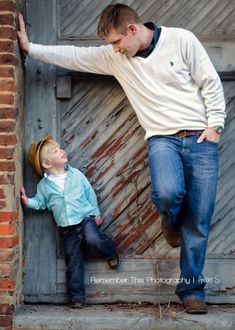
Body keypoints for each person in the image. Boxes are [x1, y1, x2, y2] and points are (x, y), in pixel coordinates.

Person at [17, 4, 226, 314]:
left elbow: (209, 80)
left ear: (132, 30)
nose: (114, 49)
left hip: (200, 137)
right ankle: (170, 221)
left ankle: (191, 289)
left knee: (199, 219)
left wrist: (215, 126)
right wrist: (31, 48)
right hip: (162, 138)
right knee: (168, 194)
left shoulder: (181, 39)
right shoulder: (117, 58)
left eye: (116, 41)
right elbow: (75, 56)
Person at [20, 135, 119, 308]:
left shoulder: (76, 175)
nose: (62, 151)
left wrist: (96, 213)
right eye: (56, 151)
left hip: (85, 219)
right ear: (46, 164)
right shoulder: (44, 186)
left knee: (94, 239)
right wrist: (28, 202)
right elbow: (41, 202)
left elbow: (89, 193)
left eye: (60, 148)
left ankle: (110, 252)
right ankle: (77, 297)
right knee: (73, 262)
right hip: (66, 229)